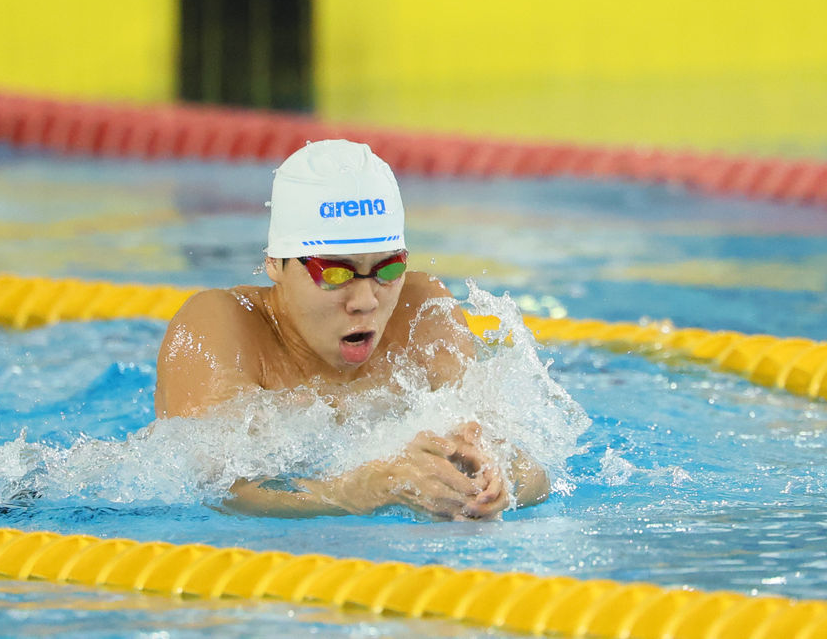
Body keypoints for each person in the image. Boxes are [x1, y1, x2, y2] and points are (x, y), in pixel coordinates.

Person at [155, 139, 549, 520]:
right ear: (275, 262)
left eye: (387, 269)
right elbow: (218, 489)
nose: (365, 301)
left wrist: (495, 480)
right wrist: (353, 494)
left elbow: (536, 474)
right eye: (335, 273)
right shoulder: (220, 328)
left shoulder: (420, 315)